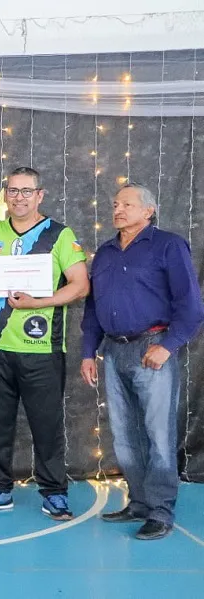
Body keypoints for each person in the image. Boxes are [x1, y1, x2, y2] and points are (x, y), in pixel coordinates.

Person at [81, 183, 204, 540]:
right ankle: (138, 501)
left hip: (153, 347)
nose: (118, 209)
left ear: (148, 211)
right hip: (113, 351)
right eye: (116, 203)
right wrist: (89, 352)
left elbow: (191, 306)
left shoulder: (168, 245)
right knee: (124, 435)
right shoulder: (104, 253)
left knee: (158, 433)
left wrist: (168, 346)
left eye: (127, 204)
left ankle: (161, 510)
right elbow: (92, 309)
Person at [0, 166, 89, 520]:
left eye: (26, 191)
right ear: (5, 194)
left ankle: (54, 492)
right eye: (13, 190)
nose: (19, 197)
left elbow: (80, 285)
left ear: (40, 195)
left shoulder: (60, 235)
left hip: (42, 349)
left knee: (46, 424)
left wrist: (38, 302)